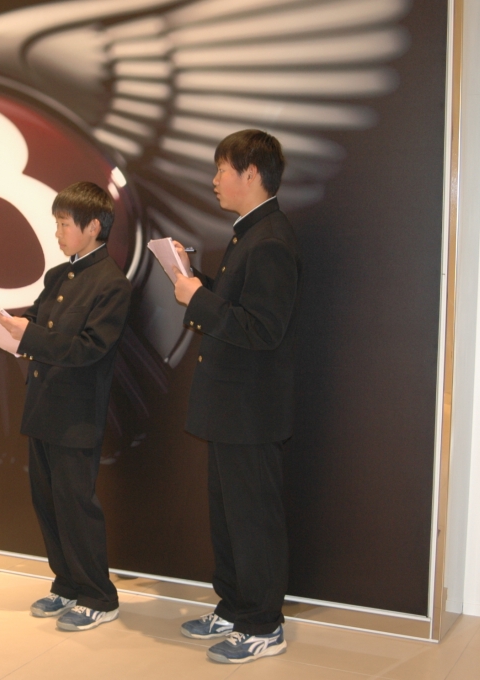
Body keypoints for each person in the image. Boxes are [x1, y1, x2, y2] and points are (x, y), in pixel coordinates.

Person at [0, 181, 131, 631]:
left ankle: (98, 596)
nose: (57, 233)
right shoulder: (59, 276)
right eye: (56, 223)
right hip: (43, 405)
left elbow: (90, 348)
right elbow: (35, 325)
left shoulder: (112, 283)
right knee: (47, 502)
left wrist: (29, 333)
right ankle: (67, 583)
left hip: (77, 413)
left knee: (76, 504)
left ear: (93, 226)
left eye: (63, 224)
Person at [170, 129, 301, 663]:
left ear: (251, 173)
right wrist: (193, 280)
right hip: (232, 408)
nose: (215, 180)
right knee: (228, 518)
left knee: (253, 521)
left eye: (223, 169)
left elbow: (264, 329)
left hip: (251, 411)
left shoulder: (270, 240)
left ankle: (264, 625)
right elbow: (235, 309)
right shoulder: (250, 234)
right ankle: (234, 606)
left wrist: (198, 298)